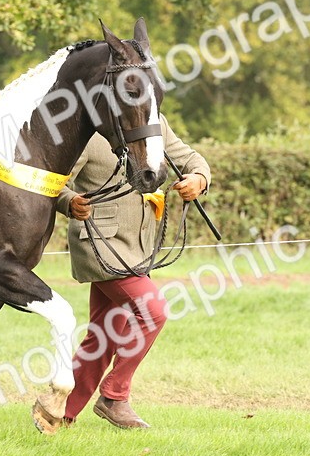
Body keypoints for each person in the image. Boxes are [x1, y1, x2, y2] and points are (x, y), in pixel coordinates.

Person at [54, 118, 210, 428]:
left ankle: (59, 413)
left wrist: (199, 178)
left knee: (105, 334)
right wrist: (69, 201)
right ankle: (114, 397)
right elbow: (55, 183)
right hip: (100, 243)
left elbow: (191, 159)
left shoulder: (155, 122)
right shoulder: (89, 131)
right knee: (153, 311)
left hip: (137, 247)